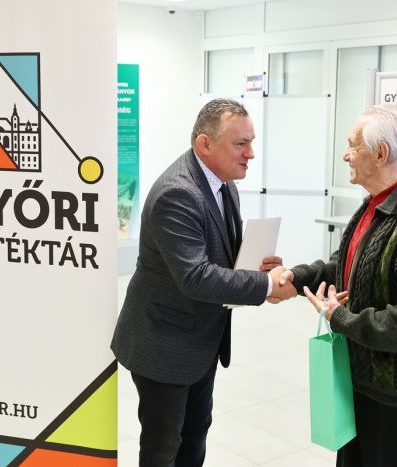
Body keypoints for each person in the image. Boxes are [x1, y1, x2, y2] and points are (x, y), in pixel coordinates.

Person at [111, 98, 297, 467]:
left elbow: (220, 254)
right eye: (240, 144)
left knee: (194, 437)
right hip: (163, 346)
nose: (250, 154)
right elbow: (195, 277)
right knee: (163, 449)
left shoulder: (223, 184)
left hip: (198, 342)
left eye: (251, 142)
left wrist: (260, 271)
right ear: (205, 144)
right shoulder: (178, 193)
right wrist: (264, 286)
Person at [280, 104, 397, 467]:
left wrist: (342, 319)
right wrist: (295, 280)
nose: (345, 155)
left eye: (353, 145)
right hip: (363, 383)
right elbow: (345, 267)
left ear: (381, 154)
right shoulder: (375, 204)